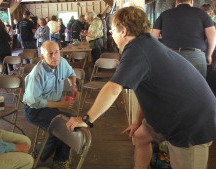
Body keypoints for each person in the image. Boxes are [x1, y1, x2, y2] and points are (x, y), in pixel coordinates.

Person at [66, 6, 216, 169]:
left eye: (112, 31)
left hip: (191, 122)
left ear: (122, 31)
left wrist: (86, 120)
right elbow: (145, 88)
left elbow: (113, 89)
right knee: (139, 136)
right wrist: (138, 121)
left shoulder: (137, 50)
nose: (112, 34)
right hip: (171, 112)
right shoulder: (143, 44)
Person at [23, 41, 79, 169]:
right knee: (63, 127)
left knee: (69, 123)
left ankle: (57, 159)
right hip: (34, 110)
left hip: (51, 107)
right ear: (43, 57)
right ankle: (40, 155)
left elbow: (71, 74)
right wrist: (61, 104)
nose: (55, 56)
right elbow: (34, 101)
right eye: (50, 54)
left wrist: (74, 87)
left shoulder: (62, 62)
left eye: (57, 52)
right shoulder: (37, 73)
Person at [152, 0, 216, 78]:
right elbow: (212, 36)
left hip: (170, 56)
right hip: (196, 56)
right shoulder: (202, 14)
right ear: (192, 1)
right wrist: (209, 55)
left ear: (176, 1)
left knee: (171, 87)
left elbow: (153, 38)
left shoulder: (164, 14)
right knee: (196, 88)